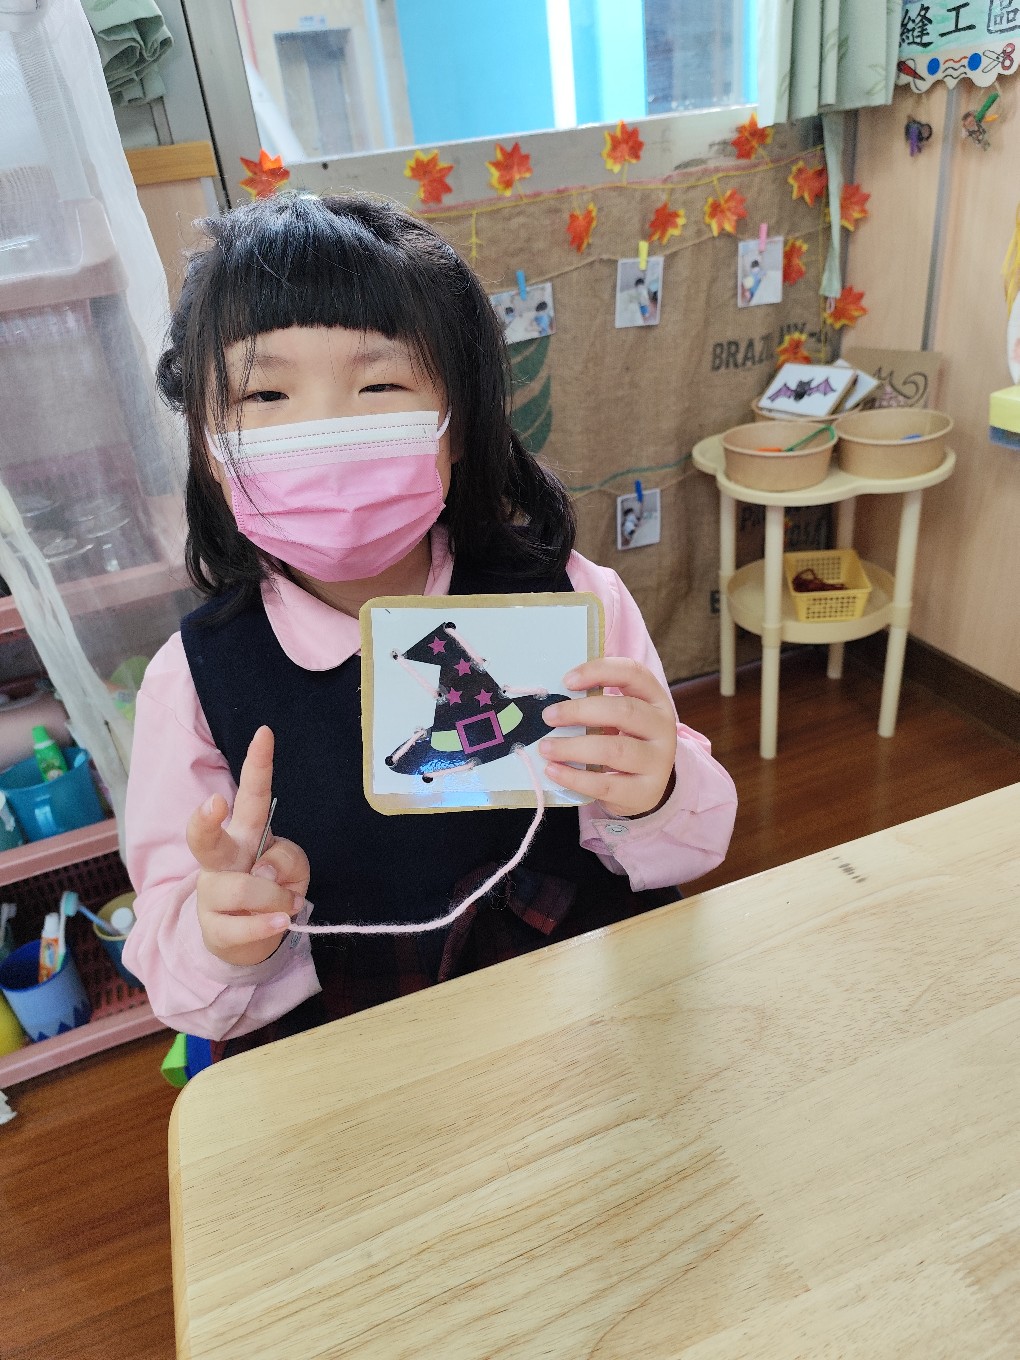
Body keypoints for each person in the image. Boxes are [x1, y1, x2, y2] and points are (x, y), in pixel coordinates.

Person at [123, 193, 736, 1058]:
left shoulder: (570, 598)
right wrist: (226, 932)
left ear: (457, 423)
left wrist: (657, 790)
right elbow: (179, 976)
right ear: (209, 448)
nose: (326, 430)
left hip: (584, 1015)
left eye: (379, 384)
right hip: (363, 1055)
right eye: (264, 392)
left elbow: (694, 841)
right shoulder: (191, 681)